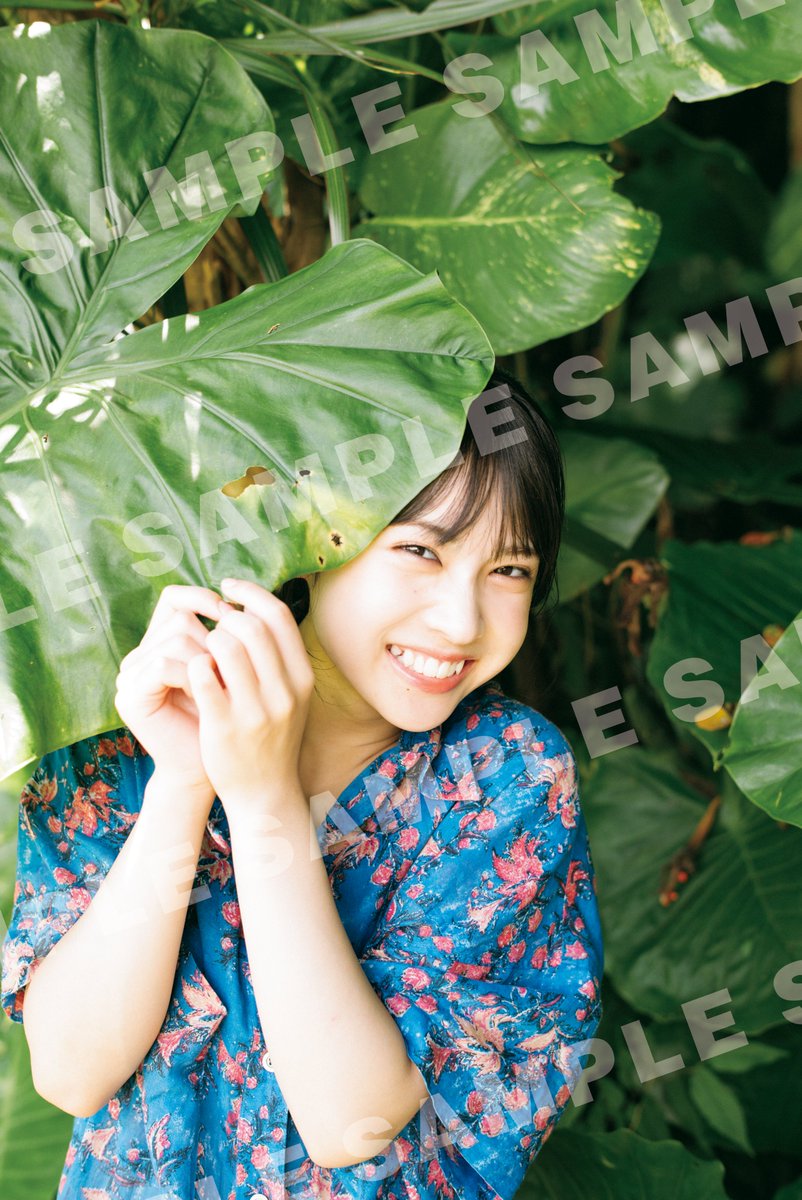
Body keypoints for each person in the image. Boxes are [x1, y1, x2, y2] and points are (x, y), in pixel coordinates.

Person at [1, 364, 604, 1200]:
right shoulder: (127, 728)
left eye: (509, 571)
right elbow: (72, 1073)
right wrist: (184, 778)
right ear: (310, 537)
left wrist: (263, 802)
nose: (461, 621)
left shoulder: (506, 774)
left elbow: (351, 1118)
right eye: (420, 551)